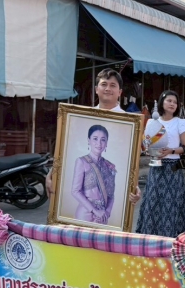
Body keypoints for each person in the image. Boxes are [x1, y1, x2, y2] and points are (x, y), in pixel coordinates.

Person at [46, 68, 140, 207]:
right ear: (96, 89)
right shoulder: (81, 118)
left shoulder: (130, 124)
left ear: (120, 92)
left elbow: (130, 161)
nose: (107, 88)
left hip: (113, 198)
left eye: (112, 85)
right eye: (104, 84)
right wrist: (52, 173)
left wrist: (133, 186)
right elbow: (68, 150)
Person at [136, 90, 185, 237]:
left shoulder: (181, 122)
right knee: (153, 202)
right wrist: (148, 150)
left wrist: (170, 151)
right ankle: (149, 238)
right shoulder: (152, 122)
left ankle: (170, 239)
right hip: (156, 168)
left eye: (175, 102)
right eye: (169, 101)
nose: (172, 104)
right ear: (162, 102)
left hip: (172, 169)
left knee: (171, 204)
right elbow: (146, 144)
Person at [71, 125, 116, 224]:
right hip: (85, 214)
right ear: (89, 140)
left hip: (102, 217)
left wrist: (107, 213)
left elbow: (111, 195)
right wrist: (95, 211)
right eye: (95, 139)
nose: (99, 143)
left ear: (106, 143)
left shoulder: (109, 166)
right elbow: (75, 191)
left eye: (103, 140)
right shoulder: (82, 161)